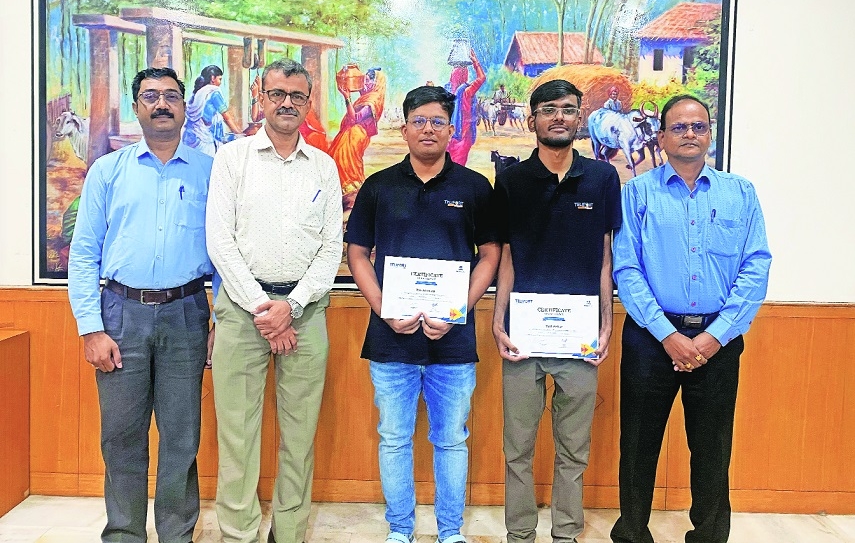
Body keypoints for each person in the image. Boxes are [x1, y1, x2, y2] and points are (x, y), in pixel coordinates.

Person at [610, 95, 772, 543]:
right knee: (638, 445)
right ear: (661, 136)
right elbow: (627, 268)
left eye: (698, 126)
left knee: (712, 447)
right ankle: (632, 534)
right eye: (679, 127)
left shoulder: (740, 193)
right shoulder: (637, 193)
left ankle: (709, 536)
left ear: (709, 135)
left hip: (718, 339)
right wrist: (668, 335)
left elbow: (756, 265)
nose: (689, 134)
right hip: (651, 337)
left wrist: (716, 335)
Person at [346, 86, 500, 543]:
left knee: (451, 439)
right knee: (394, 438)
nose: (428, 129)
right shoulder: (379, 186)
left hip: (453, 340)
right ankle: (400, 530)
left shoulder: (475, 187)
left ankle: (450, 532)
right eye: (419, 121)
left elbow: (490, 255)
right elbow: (357, 254)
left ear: (451, 130)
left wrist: (458, 310)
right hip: (390, 339)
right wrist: (384, 309)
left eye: (437, 121)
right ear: (405, 128)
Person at [68, 67, 214, 543]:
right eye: (150, 96)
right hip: (120, 313)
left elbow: (225, 250)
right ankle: (124, 533)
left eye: (171, 95)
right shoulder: (108, 171)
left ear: (184, 107)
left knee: (182, 435)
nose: (161, 104)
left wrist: (221, 319)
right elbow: (84, 254)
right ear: (137, 108)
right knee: (121, 435)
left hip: (187, 312)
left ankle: (176, 534)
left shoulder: (210, 171)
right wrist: (91, 328)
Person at [206, 58, 343, 543]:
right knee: (237, 435)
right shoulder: (232, 159)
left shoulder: (324, 167)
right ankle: (238, 534)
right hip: (242, 313)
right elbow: (219, 241)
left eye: (297, 96)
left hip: (305, 313)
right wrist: (265, 309)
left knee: (299, 435)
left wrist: (293, 306)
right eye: (278, 94)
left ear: (308, 103)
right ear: (260, 98)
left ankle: (288, 532)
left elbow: (331, 248)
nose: (287, 103)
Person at [491, 79, 622, 543]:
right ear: (533, 120)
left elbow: (606, 257)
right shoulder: (511, 181)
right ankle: (520, 535)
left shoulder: (603, 179)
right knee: (517, 449)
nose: (559, 117)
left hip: (580, 336)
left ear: (579, 117)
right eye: (549, 109)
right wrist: (497, 320)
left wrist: (607, 324)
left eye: (568, 109)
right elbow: (506, 255)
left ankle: (566, 533)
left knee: (574, 449)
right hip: (522, 337)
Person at [329, 66, 387, 199]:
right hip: (351, 134)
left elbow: (355, 118)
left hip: (356, 135)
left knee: (345, 162)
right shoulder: (367, 97)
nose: (364, 83)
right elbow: (357, 87)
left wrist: (347, 97)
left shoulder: (373, 100)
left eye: (367, 80)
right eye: (364, 79)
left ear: (376, 83)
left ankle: (351, 195)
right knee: (337, 158)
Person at [183, 64, 242, 155]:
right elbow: (226, 117)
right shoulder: (214, 92)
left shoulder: (197, 92)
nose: (220, 82)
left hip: (189, 137)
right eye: (220, 79)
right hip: (203, 140)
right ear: (213, 78)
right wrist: (239, 135)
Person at [446, 49, 486, 166]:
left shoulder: (446, 90)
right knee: (458, 167)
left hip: (448, 136)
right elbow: (481, 78)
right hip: (463, 136)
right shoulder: (466, 92)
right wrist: (475, 62)